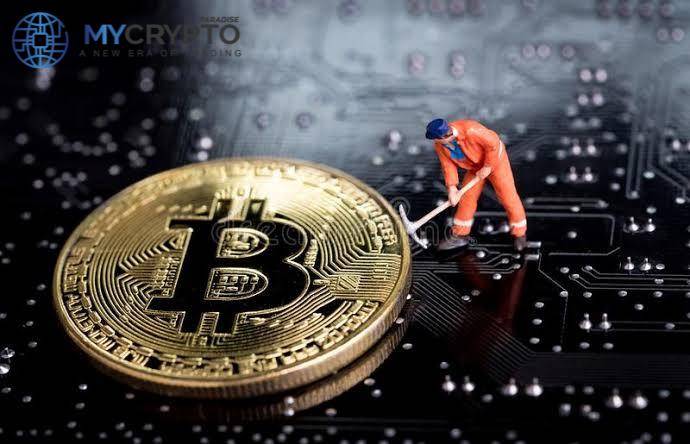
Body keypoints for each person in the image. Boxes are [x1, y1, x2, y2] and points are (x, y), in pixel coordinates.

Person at [425, 118, 527, 251]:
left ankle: (520, 233)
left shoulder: (471, 130)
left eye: (435, 138)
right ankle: (460, 234)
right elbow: (448, 166)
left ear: (444, 136)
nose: (435, 141)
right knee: (467, 197)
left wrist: (488, 166)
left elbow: (494, 143)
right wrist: (452, 188)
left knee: (507, 196)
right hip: (474, 167)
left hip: (496, 162)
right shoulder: (440, 145)